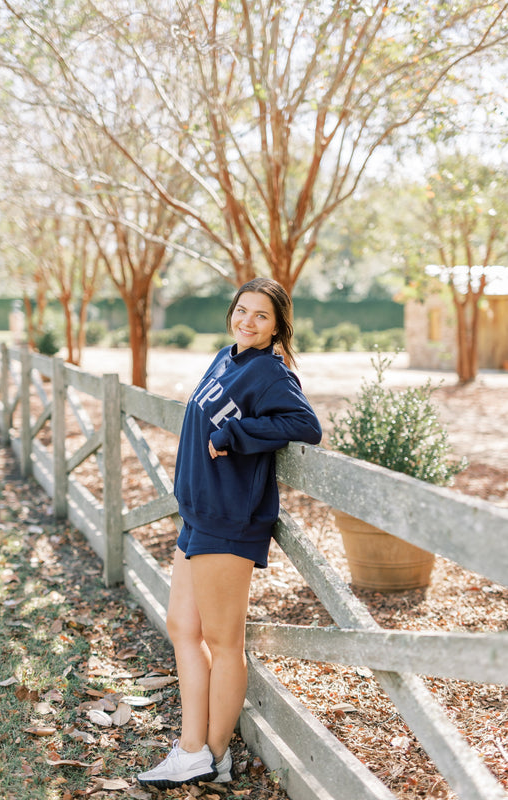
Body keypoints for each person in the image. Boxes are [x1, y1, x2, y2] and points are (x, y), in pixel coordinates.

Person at [137, 277, 322, 789]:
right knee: (182, 628)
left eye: (261, 316)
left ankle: (209, 754)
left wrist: (237, 434)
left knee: (223, 642)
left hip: (230, 519)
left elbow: (306, 425)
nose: (248, 321)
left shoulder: (270, 373)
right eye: (242, 310)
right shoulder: (227, 356)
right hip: (198, 514)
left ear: (278, 325)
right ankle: (191, 746)